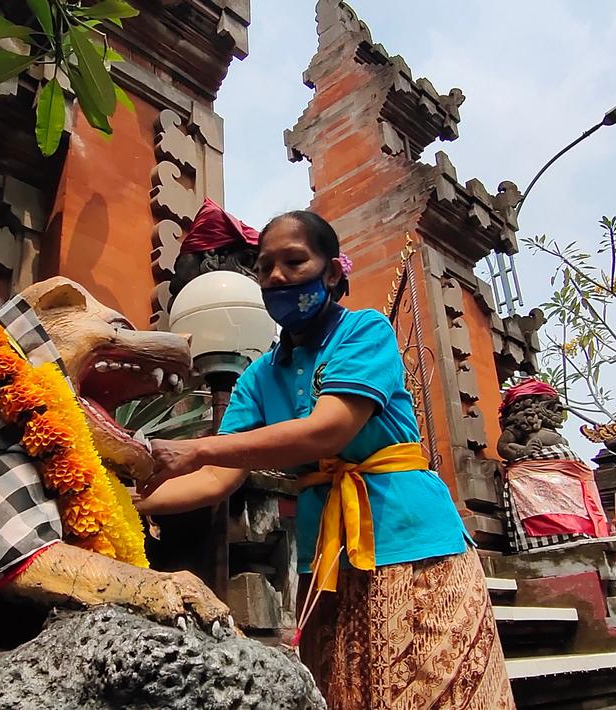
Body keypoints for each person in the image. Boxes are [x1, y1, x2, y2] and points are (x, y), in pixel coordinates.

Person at [136, 210, 516, 709]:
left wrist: (199, 446)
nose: (275, 276)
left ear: (332, 272)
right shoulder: (259, 376)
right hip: (324, 560)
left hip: (413, 544)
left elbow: (328, 429)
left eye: (294, 261)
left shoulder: (365, 332)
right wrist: (126, 502)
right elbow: (216, 478)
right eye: (264, 265)